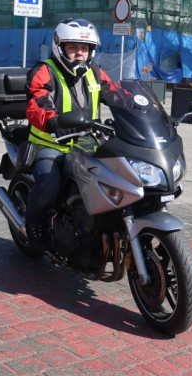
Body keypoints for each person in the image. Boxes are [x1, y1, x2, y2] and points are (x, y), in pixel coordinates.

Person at [24, 18, 126, 250]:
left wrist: (139, 111)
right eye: (73, 48)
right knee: (49, 186)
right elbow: (37, 102)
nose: (79, 54)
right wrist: (53, 121)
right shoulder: (45, 70)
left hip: (86, 143)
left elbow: (117, 95)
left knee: (116, 176)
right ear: (60, 47)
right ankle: (33, 225)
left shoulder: (96, 73)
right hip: (50, 144)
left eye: (84, 48)